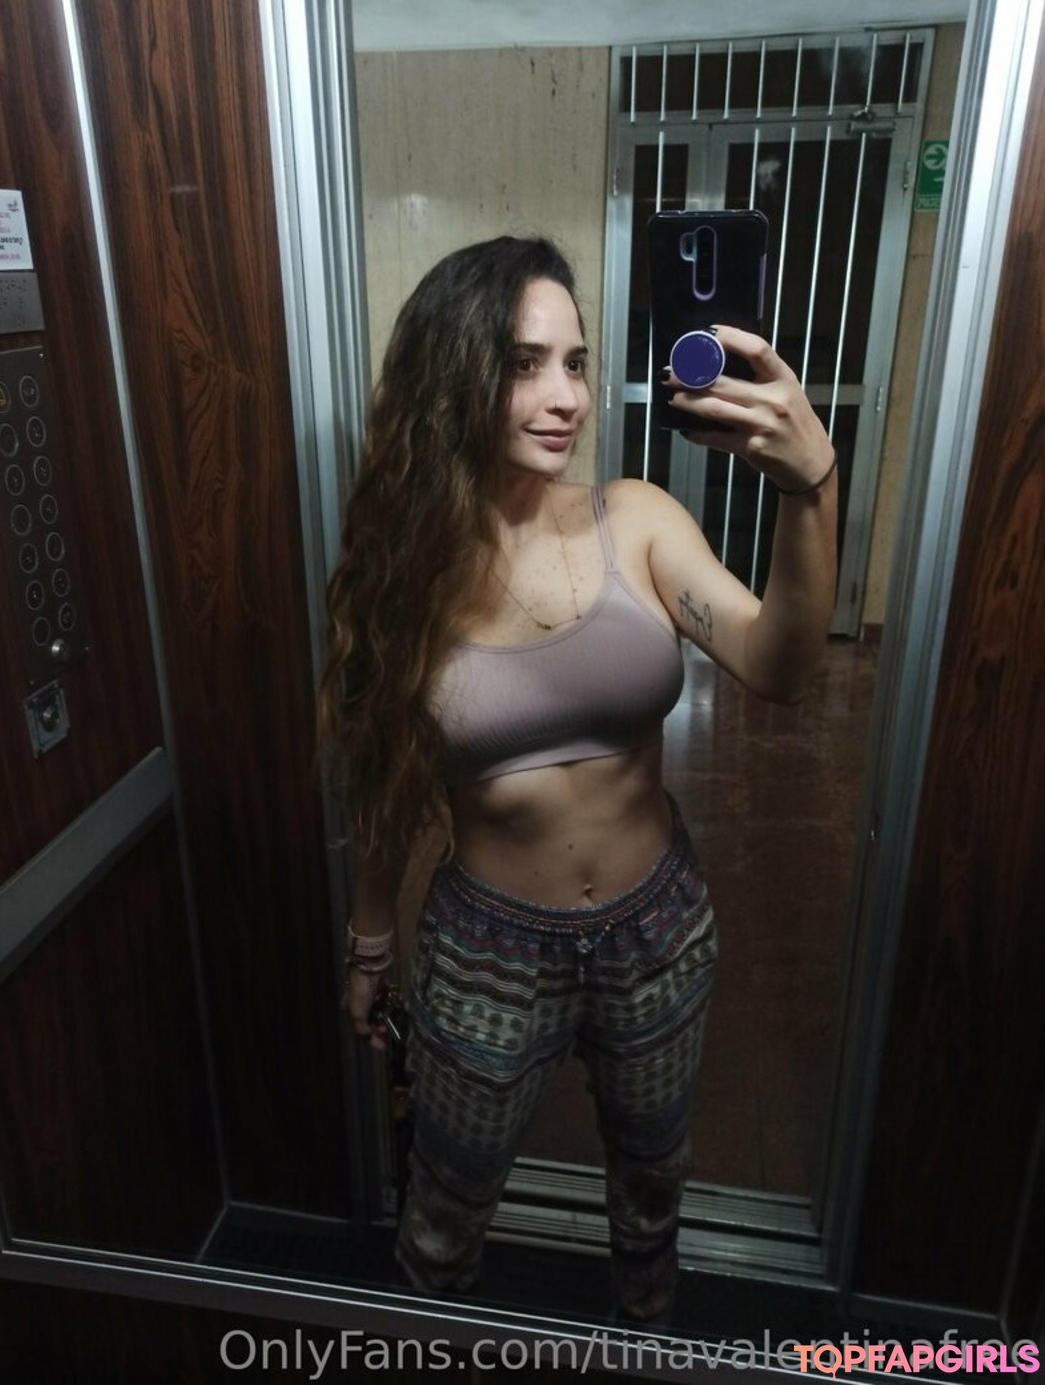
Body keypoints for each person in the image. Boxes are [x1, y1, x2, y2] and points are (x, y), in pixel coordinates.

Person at [319, 235, 836, 1320]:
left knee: (652, 1191)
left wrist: (810, 490)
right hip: (489, 950)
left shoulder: (634, 519)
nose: (566, 397)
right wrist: (370, 934)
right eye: (525, 364)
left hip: (659, 932)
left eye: (577, 363)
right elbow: (383, 778)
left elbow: (780, 667)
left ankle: (645, 1336)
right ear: (453, 373)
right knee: (445, 1211)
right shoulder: (405, 570)